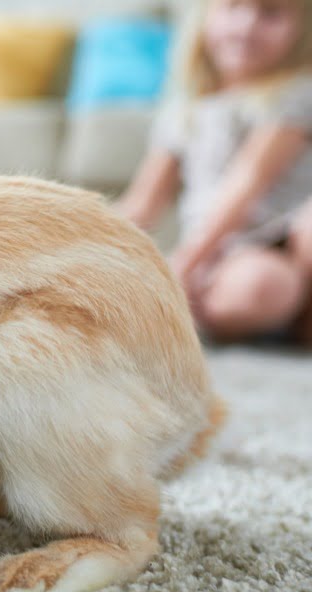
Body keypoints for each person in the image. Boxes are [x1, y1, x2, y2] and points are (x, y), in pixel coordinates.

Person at [118, 0, 312, 344]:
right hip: (224, 256)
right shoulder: (185, 109)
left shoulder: (295, 95)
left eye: (271, 14)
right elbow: (142, 203)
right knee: (255, 288)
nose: (247, 25)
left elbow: (248, 181)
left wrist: (187, 263)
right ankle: (265, 317)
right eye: (234, 8)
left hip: (281, 243)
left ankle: (301, 319)